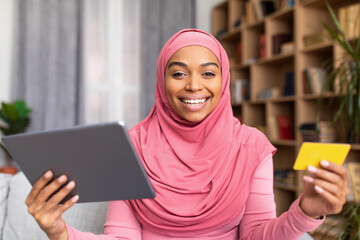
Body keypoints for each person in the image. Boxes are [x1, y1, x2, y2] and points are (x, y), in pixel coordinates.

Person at [25, 29, 349, 240]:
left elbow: (256, 236)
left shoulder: (251, 146)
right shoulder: (132, 145)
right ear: (161, 81)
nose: (194, 85)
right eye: (178, 73)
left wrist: (306, 210)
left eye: (208, 73)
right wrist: (60, 232)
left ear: (223, 81)